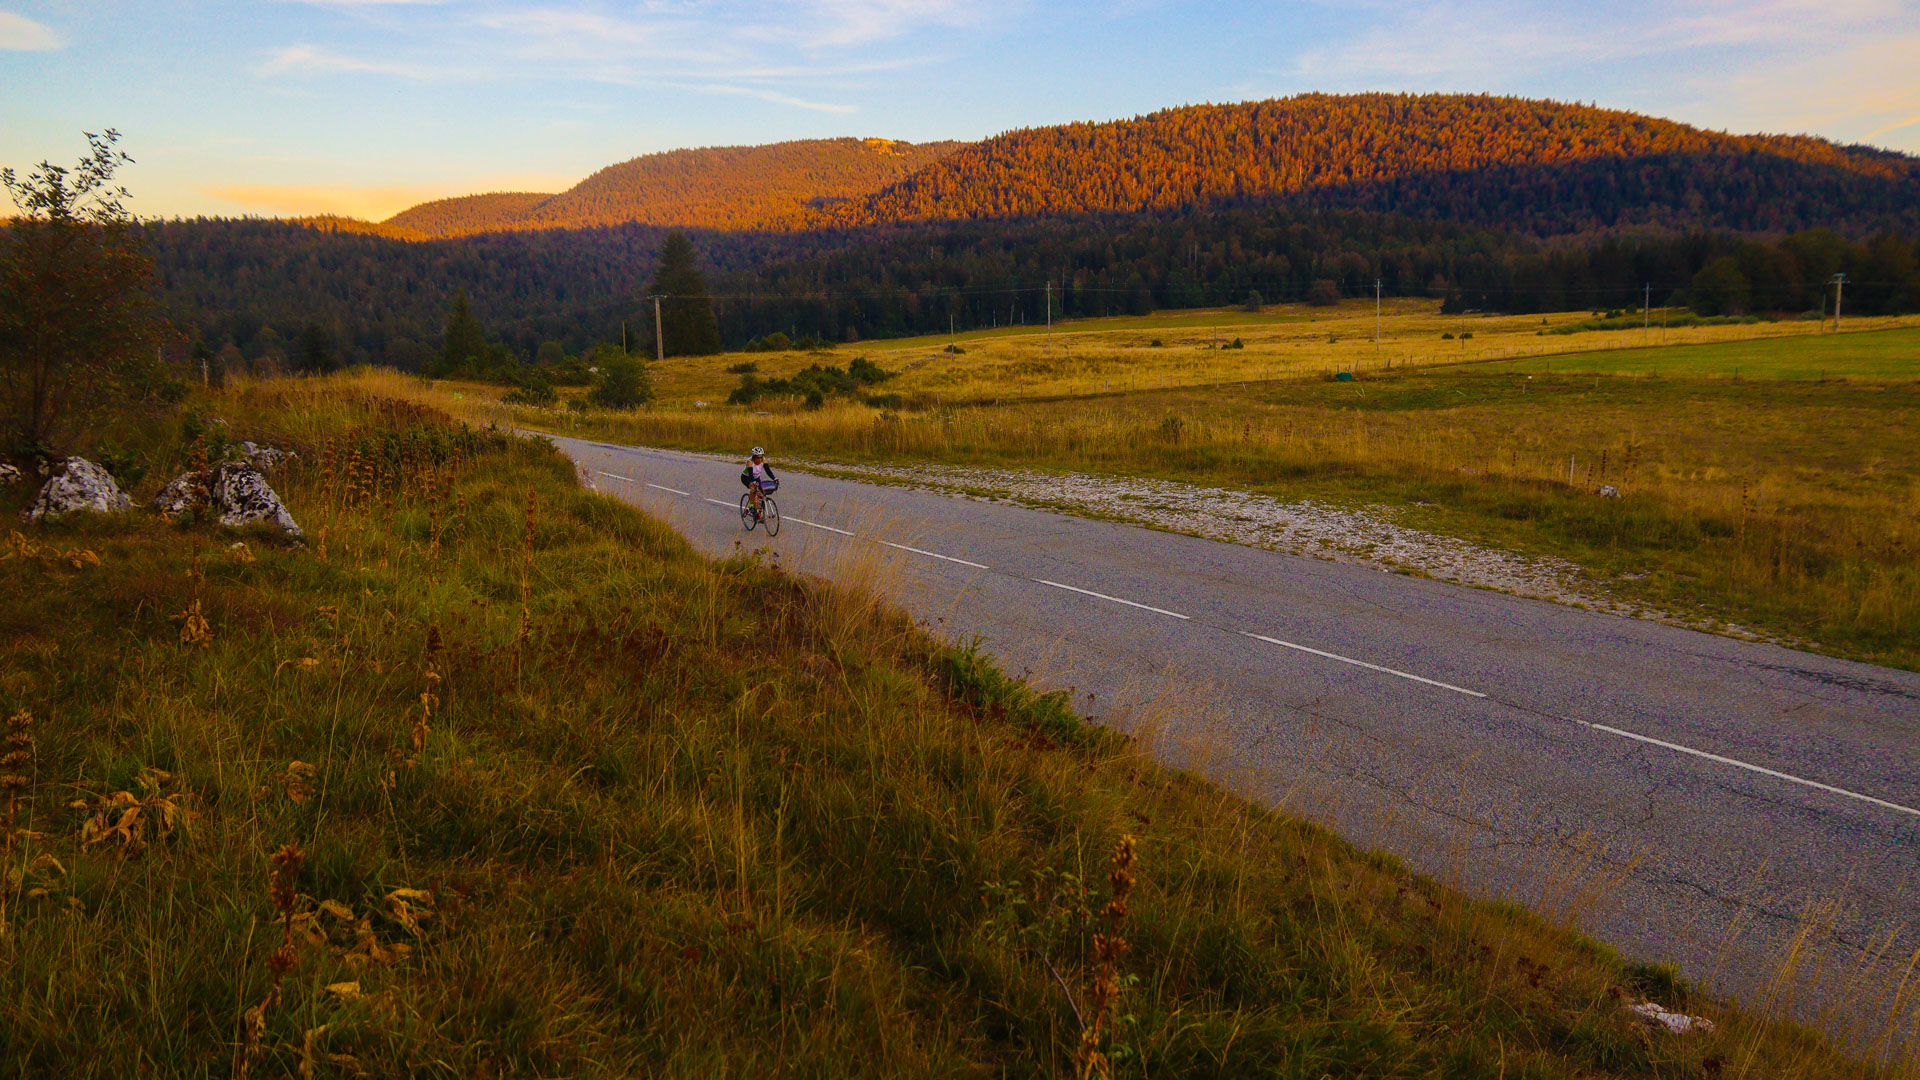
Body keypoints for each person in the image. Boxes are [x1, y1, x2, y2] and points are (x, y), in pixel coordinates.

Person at [740, 447, 778, 513]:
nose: (760, 459)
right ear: (754, 457)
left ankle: (760, 514)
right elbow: (751, 474)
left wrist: (774, 478)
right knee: (753, 488)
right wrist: (753, 482)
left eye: (761, 457)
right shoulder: (750, 461)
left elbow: (768, 470)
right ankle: (751, 506)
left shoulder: (763, 459)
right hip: (746, 477)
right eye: (758, 457)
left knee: (762, 493)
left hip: (756, 477)